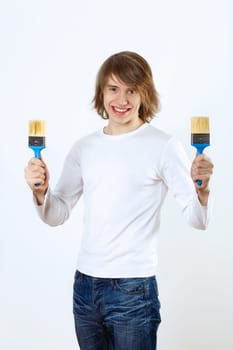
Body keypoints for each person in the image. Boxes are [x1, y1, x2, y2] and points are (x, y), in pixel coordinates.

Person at [24, 51, 213, 350]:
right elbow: (55, 214)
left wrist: (202, 191)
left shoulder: (163, 145)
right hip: (85, 287)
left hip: (133, 290)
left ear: (144, 93)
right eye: (113, 88)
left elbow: (198, 219)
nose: (121, 99)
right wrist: (40, 191)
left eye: (131, 90)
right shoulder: (84, 148)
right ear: (102, 92)